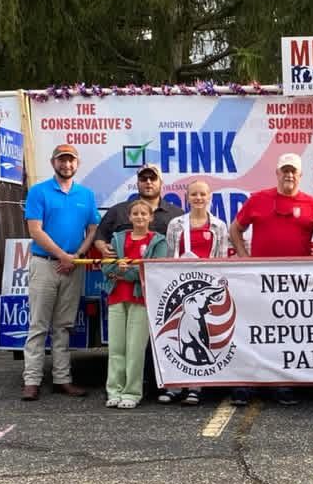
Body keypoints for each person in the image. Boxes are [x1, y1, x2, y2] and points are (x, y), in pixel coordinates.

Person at [229, 152, 313, 407]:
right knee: (253, 331)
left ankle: (283, 384)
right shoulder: (258, 200)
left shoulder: (312, 205)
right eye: (285, 170)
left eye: (293, 171)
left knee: (286, 334)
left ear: (300, 175)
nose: (289, 175)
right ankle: (246, 384)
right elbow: (235, 228)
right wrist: (243, 257)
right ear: (277, 173)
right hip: (258, 281)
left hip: (295, 285)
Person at [94, 163, 184, 399]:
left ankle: (153, 387)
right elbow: (101, 243)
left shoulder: (175, 214)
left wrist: (125, 269)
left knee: (160, 340)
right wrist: (112, 260)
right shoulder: (118, 213)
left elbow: (164, 259)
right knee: (120, 346)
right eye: (143, 179)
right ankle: (116, 390)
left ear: (160, 182)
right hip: (120, 294)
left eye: (152, 178)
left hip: (158, 292)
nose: (148, 182)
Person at [21, 144, 100, 401]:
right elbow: (35, 230)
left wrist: (75, 256)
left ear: (77, 164)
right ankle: (31, 381)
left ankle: (62, 379)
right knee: (38, 325)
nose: (66, 165)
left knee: (63, 327)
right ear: (53, 162)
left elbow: (92, 231)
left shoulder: (86, 195)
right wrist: (62, 255)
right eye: (61, 160)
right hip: (45, 264)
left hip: (73, 267)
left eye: (71, 161)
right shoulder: (39, 191)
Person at [159, 179, 228, 405]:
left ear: (210, 197)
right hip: (179, 287)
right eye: (194, 194)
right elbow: (170, 256)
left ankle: (195, 386)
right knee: (175, 336)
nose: (198, 198)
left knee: (200, 337)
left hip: (203, 291)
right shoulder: (176, 225)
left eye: (203, 194)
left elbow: (221, 260)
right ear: (187, 198)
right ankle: (174, 385)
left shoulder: (218, 226)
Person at [101, 200, 168, 409]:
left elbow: (152, 272)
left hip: (140, 300)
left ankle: (132, 392)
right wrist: (118, 269)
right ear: (129, 217)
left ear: (151, 217)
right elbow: (105, 268)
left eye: (143, 214)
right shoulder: (117, 238)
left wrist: (122, 271)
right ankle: (114, 390)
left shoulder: (159, 242)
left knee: (135, 348)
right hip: (116, 298)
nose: (139, 217)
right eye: (135, 214)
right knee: (116, 348)